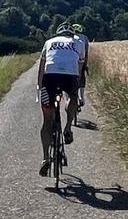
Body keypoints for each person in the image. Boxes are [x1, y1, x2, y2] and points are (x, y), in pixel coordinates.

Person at [37, 23, 83, 176]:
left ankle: (45, 158)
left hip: (50, 78)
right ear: (71, 34)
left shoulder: (48, 42)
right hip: (69, 77)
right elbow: (80, 66)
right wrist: (78, 84)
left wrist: (39, 87)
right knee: (72, 98)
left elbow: (41, 66)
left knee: (47, 120)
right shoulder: (78, 42)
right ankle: (68, 128)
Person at [71, 23, 89, 110]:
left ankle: (67, 99)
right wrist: (85, 65)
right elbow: (86, 53)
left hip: (70, 62)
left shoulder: (69, 38)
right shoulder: (84, 38)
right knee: (81, 78)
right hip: (80, 60)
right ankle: (81, 97)